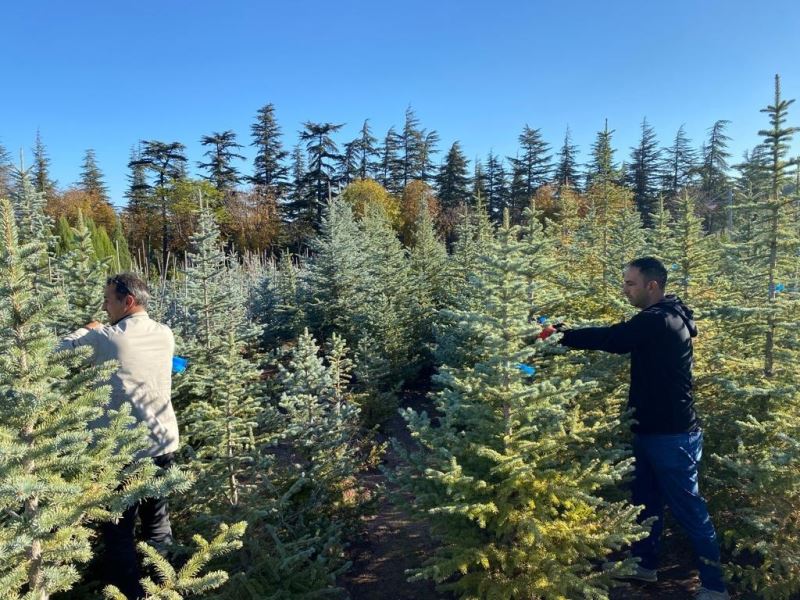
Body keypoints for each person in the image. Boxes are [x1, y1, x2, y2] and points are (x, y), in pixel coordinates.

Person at [540, 257, 728, 600]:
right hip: (650, 429)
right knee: (645, 502)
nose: (624, 289)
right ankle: (644, 564)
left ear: (651, 286)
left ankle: (715, 587)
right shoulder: (667, 315)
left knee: (690, 510)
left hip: (672, 435)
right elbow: (621, 335)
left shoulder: (661, 320)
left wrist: (560, 335)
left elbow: (615, 338)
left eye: (630, 284)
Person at [59, 273, 179, 600]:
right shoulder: (165, 334)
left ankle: (128, 594)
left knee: (118, 530)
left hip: (120, 451)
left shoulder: (108, 338)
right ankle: (164, 587)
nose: (104, 305)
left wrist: (87, 328)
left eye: (108, 299)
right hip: (162, 443)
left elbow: (58, 352)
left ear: (128, 301)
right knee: (157, 522)